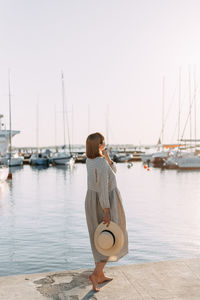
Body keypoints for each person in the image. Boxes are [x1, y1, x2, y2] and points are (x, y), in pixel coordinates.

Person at [85, 132, 128, 292]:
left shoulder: (90, 161)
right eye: (103, 142)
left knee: (100, 238)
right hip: (105, 201)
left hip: (91, 201)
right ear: (99, 145)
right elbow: (103, 188)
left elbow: (113, 172)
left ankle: (100, 274)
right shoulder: (101, 164)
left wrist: (108, 158)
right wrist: (107, 210)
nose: (105, 143)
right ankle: (96, 274)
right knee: (114, 236)